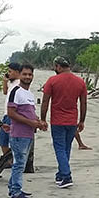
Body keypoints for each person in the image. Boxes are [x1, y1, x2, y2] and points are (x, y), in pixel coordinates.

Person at [40, 56, 88, 188]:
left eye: (55, 67)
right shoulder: (80, 82)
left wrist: (43, 118)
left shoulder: (52, 80)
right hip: (72, 120)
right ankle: (61, 174)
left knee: (59, 148)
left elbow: (45, 101)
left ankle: (66, 176)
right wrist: (82, 120)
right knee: (66, 148)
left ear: (58, 66)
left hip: (58, 120)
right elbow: (83, 103)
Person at [6, 64, 41, 198]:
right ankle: (15, 192)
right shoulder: (16, 91)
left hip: (28, 134)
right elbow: (11, 113)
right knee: (19, 163)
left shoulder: (30, 94)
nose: (27, 77)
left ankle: (13, 187)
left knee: (21, 162)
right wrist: (30, 123)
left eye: (30, 74)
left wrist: (38, 122)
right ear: (19, 75)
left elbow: (30, 113)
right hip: (18, 134)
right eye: (25, 74)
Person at [0, 62, 22, 155]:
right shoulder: (11, 83)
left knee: (8, 139)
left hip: (12, 114)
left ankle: (11, 160)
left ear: (17, 72)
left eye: (10, 71)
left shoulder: (20, 83)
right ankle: (8, 159)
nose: (8, 73)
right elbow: (5, 92)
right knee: (3, 139)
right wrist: (4, 81)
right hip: (6, 113)